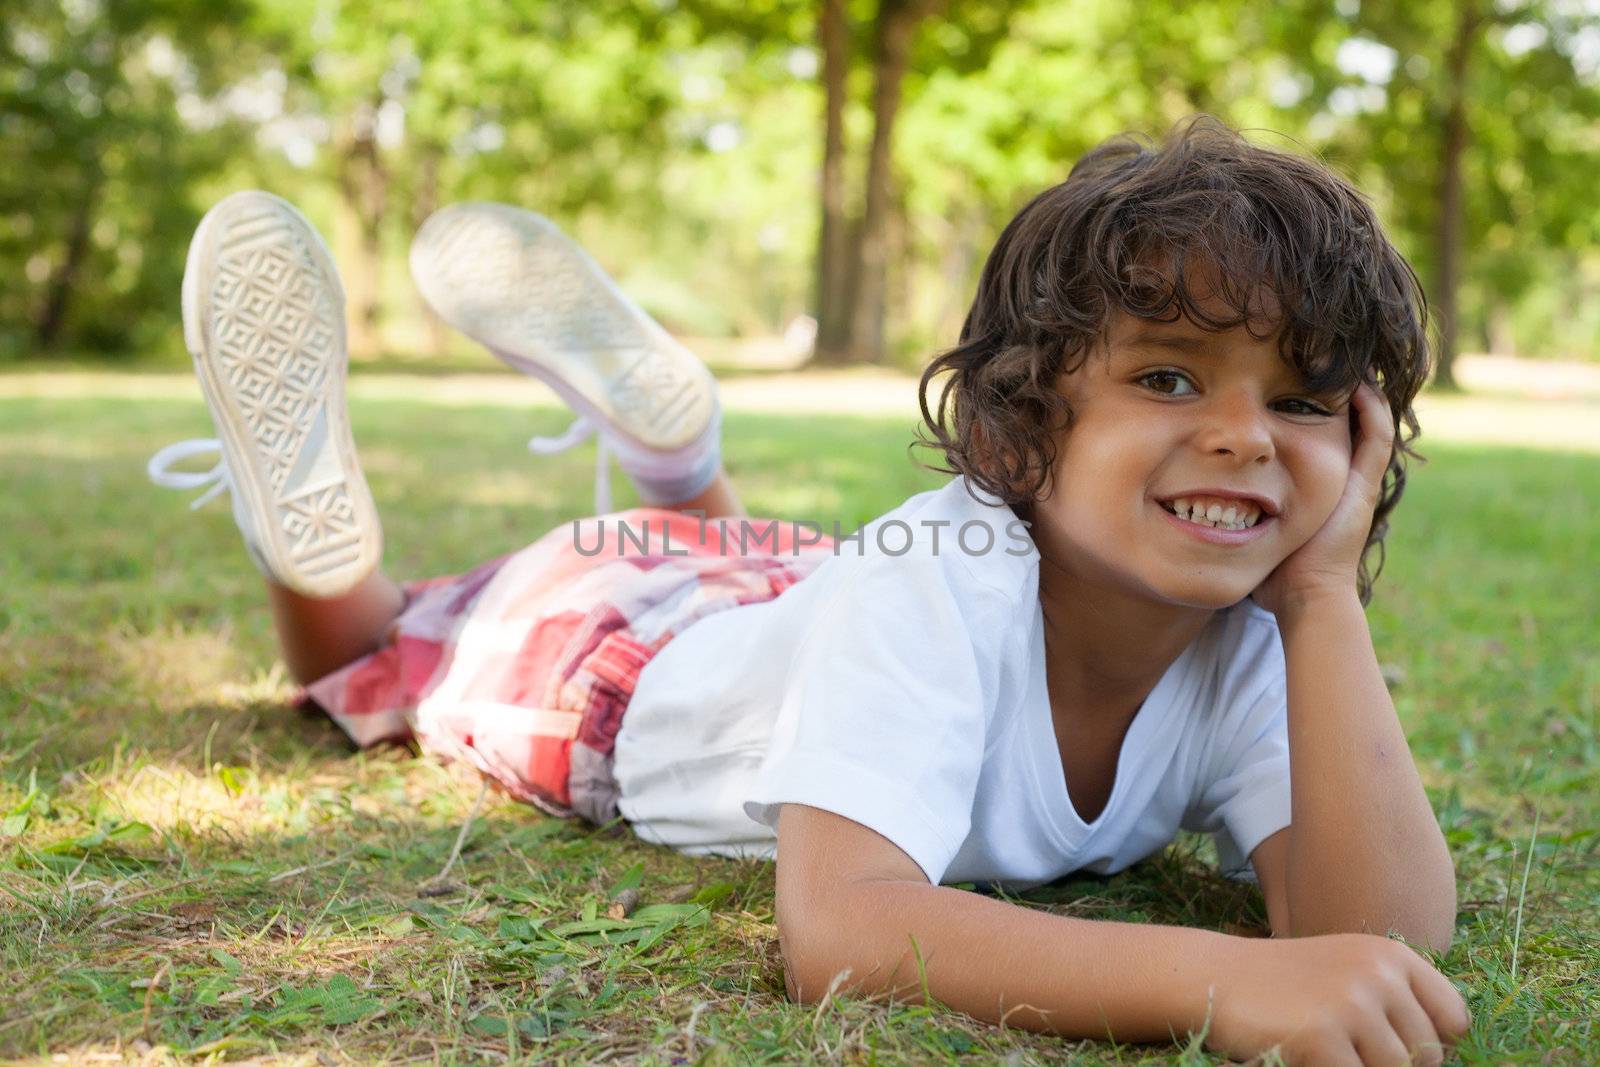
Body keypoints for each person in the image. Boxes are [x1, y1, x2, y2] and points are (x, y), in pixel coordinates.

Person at [148, 115, 1471, 1064]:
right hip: (620, 659)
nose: (1246, 435)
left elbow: (1378, 939)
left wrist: (1321, 599)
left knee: (772, 586)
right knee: (381, 651)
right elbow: (841, 932)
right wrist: (1222, 986)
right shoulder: (945, 587)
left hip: (797, 590)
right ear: (1016, 438)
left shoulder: (1256, 647)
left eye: (1301, 400)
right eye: (1169, 378)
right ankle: (315, 552)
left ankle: (677, 451)